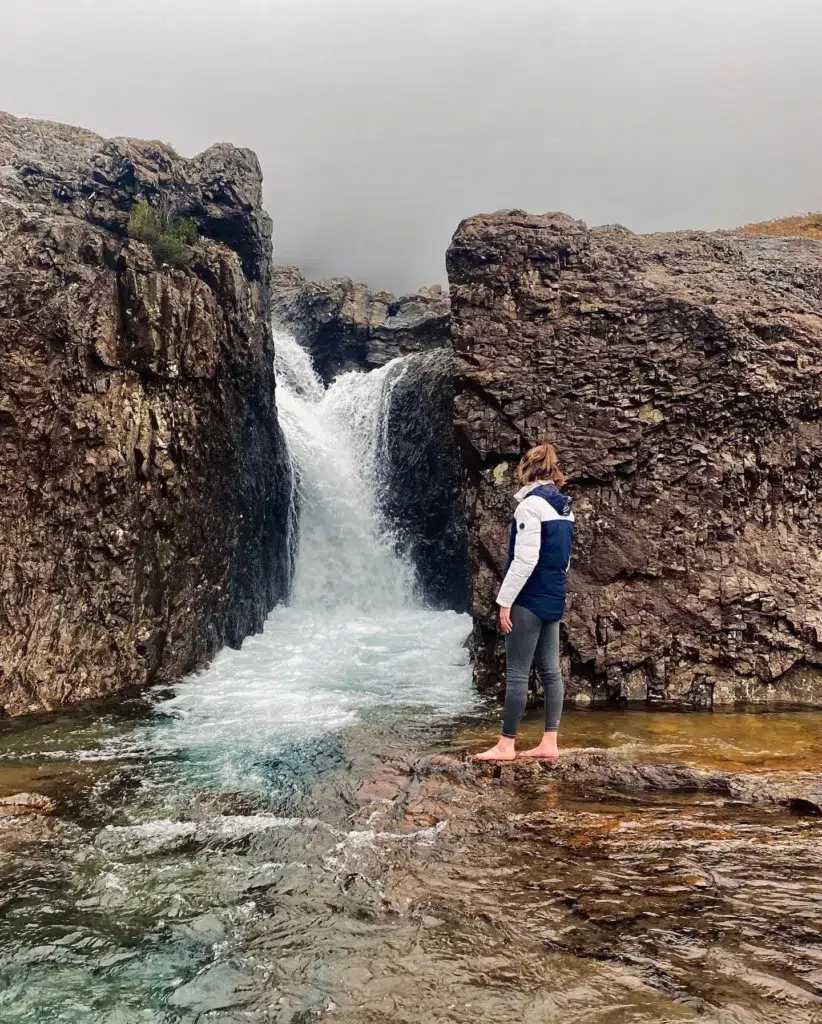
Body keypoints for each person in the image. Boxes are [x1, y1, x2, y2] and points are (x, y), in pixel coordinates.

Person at [476, 443, 574, 761]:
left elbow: (525, 559)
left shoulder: (529, 506)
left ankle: (506, 745)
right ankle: (550, 742)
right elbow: (565, 559)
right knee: (550, 670)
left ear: (528, 470)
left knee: (517, 672)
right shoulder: (564, 508)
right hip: (554, 594)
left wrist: (505, 601)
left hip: (529, 597)